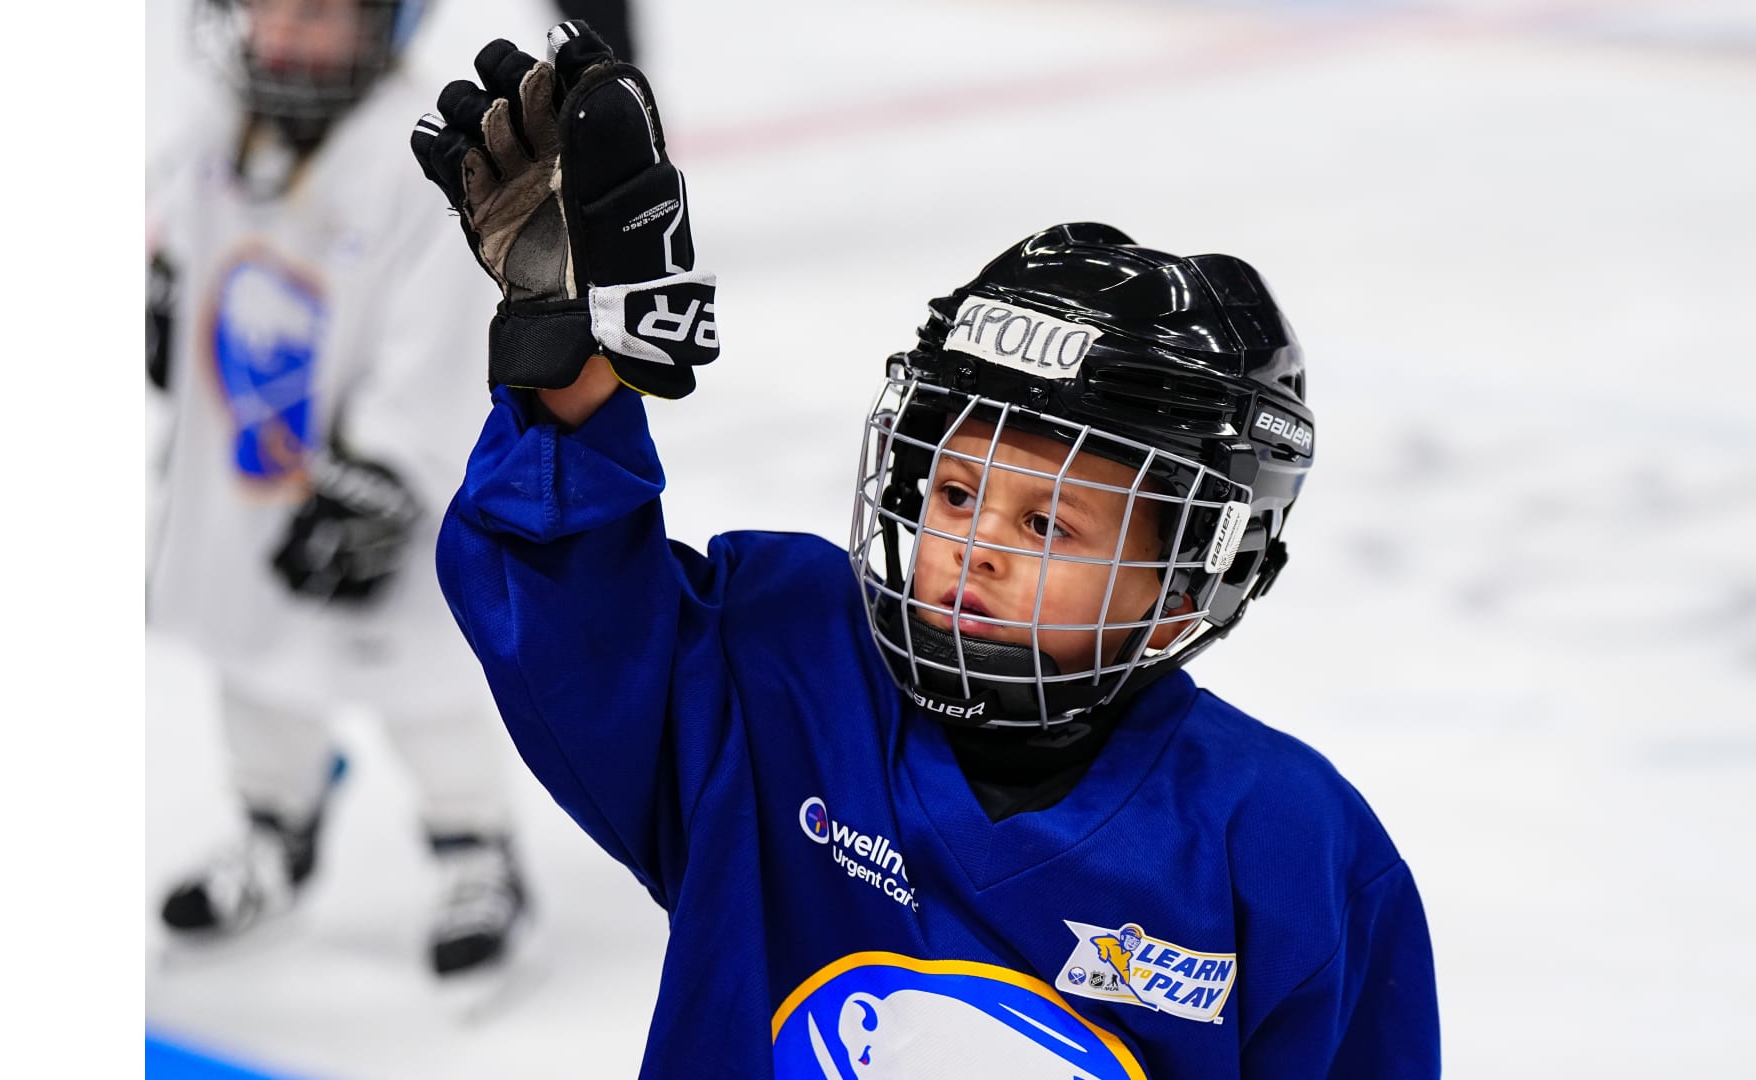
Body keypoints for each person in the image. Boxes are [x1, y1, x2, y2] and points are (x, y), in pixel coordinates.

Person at [412, 20, 1439, 1074]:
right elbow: (577, 640)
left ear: (1189, 582)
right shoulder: (783, 678)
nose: (975, 544)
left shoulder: (1284, 848)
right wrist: (572, 368)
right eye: (954, 492)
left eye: (1047, 522)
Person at [146, 0, 530, 982]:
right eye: (267, 8)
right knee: (250, 655)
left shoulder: (418, 160)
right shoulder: (217, 132)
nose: (282, 34)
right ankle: (275, 834)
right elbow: (172, 245)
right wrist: (159, 300)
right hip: (245, 467)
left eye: (315, 12)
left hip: (373, 493)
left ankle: (472, 846)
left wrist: (386, 468)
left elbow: (443, 332)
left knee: (423, 676)